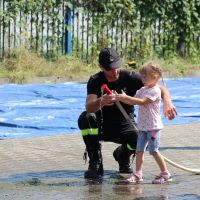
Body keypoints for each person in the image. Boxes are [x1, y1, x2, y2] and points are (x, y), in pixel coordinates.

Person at [78, 47, 177, 179]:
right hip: (101, 127)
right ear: (101, 67)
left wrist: (167, 101)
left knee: (141, 140)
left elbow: (160, 87)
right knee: (86, 117)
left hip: (124, 125)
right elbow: (89, 107)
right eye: (110, 69)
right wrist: (101, 101)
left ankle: (122, 155)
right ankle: (95, 161)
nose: (115, 71)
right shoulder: (95, 80)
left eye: (116, 66)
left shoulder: (130, 77)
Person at [115, 61, 172, 184]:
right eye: (142, 76)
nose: (142, 79)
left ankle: (165, 174)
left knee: (154, 151)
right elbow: (134, 101)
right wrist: (121, 97)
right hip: (143, 127)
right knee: (139, 150)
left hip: (153, 128)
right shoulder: (142, 89)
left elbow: (142, 102)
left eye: (145, 76)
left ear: (155, 77)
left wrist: (125, 98)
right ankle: (138, 174)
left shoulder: (155, 91)